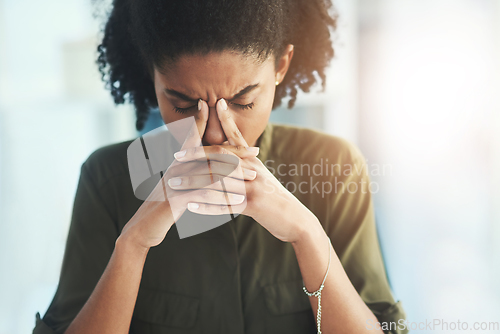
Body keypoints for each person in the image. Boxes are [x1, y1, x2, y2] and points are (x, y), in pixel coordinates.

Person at [32, 0, 408, 333]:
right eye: (183, 104)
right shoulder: (108, 180)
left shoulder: (335, 168)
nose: (212, 133)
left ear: (281, 66)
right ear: (153, 76)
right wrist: (132, 245)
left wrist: (307, 233)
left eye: (242, 101)